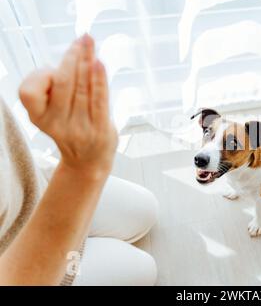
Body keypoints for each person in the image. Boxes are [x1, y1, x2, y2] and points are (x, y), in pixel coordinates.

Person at [0, 34, 158, 286]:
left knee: (145, 209)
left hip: (31, 186)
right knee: (143, 269)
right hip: (25, 262)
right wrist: (82, 170)